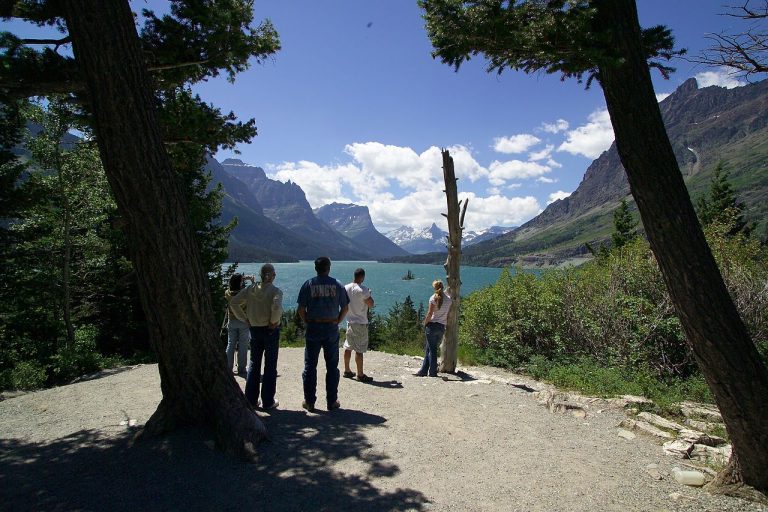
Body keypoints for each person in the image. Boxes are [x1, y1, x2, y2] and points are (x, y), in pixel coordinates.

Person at [297, 256, 349, 411]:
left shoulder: (308, 284)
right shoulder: (337, 285)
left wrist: (307, 322)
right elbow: (345, 307)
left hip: (314, 327)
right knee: (332, 366)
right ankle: (332, 401)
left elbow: (301, 309)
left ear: (316, 268)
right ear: (329, 267)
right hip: (331, 328)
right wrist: (337, 321)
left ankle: (310, 402)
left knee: (310, 366)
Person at [230, 264, 283, 409]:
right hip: (270, 330)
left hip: (254, 329)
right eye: (274, 274)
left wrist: (244, 318)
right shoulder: (275, 291)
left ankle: (251, 400)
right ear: (271, 276)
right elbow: (277, 306)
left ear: (261, 275)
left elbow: (234, 303)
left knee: (254, 363)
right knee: (270, 365)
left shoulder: (250, 290)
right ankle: (268, 401)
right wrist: (273, 321)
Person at [343, 268, 374, 382]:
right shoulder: (364, 289)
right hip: (360, 323)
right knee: (359, 350)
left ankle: (347, 370)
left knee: (348, 346)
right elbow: (371, 304)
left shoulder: (346, 288)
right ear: (362, 277)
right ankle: (360, 375)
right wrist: (369, 294)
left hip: (349, 321)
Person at [415, 279, 452, 377]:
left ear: (434, 288)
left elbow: (430, 313)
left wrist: (425, 323)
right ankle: (423, 371)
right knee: (429, 348)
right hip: (441, 327)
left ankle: (432, 372)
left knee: (432, 350)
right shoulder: (448, 299)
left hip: (432, 326)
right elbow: (447, 315)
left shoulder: (433, 298)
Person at [224, 273, 250, 377]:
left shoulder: (227, 293)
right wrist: (249, 280)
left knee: (231, 344)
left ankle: (228, 367)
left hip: (232, 321)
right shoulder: (243, 294)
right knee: (243, 345)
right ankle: (242, 369)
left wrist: (239, 279)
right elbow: (252, 292)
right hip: (243, 321)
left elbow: (231, 287)